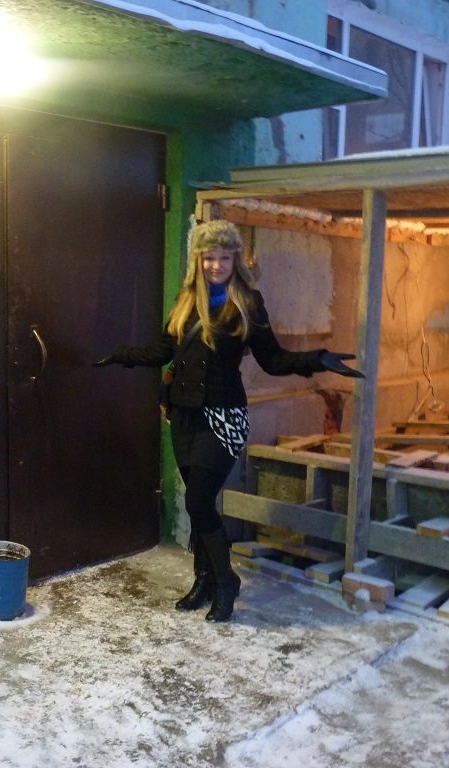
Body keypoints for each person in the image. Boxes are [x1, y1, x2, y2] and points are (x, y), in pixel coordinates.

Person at [94, 220, 362, 622]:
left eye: (224, 257)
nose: (216, 265)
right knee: (200, 502)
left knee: (198, 501)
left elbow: (272, 360)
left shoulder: (248, 303)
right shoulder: (186, 300)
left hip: (223, 417)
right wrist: (122, 354)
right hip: (183, 415)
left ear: (236, 259)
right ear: (198, 260)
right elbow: (164, 350)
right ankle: (203, 580)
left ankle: (225, 581)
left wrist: (317, 359)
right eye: (209, 257)